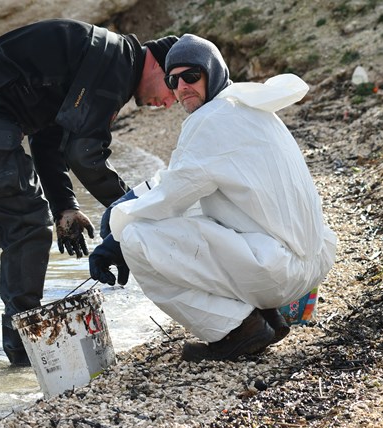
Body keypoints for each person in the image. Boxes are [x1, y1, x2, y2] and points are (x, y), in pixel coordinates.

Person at [0, 19, 179, 366]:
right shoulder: (116, 67)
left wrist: (65, 206)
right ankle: (24, 353)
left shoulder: (107, 56)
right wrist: (137, 210)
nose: (169, 102)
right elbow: (86, 154)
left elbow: (48, 136)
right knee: (29, 226)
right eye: (173, 86)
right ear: (156, 62)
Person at [89, 34, 337, 362]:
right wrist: (131, 201)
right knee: (186, 217)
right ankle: (267, 317)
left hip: (280, 272)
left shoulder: (209, 121)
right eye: (172, 80)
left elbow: (171, 198)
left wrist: (116, 237)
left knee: (136, 239)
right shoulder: (245, 108)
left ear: (213, 72)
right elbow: (187, 182)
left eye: (191, 76)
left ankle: (238, 331)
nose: (181, 88)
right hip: (310, 260)